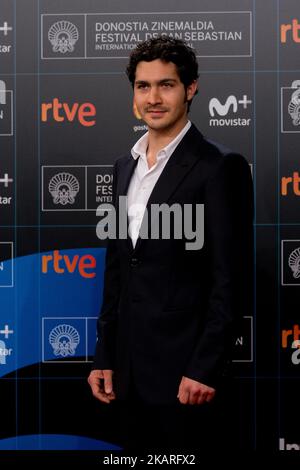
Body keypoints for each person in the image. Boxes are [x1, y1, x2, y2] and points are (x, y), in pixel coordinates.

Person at [88, 36, 253, 452]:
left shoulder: (219, 166)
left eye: (167, 84)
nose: (154, 98)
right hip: (126, 373)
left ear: (191, 88)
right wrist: (104, 354)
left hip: (186, 376)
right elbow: (117, 269)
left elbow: (229, 278)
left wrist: (205, 368)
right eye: (143, 86)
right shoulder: (123, 168)